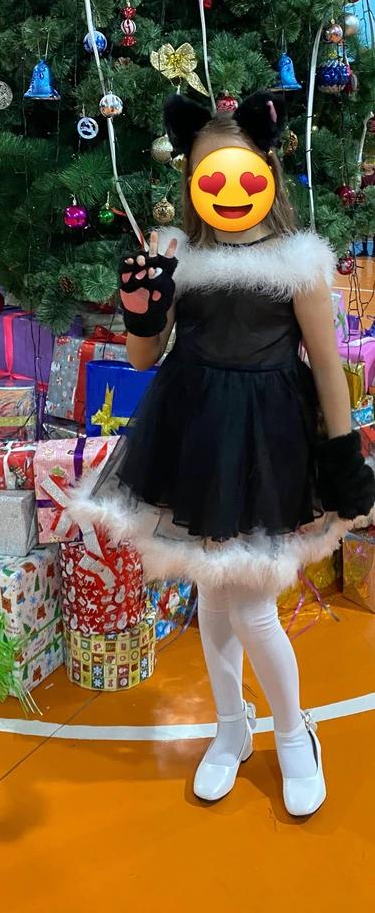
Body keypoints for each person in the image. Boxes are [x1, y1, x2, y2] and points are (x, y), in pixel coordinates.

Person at [71, 90, 374, 818]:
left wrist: (342, 458)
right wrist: (141, 309)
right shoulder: (180, 254)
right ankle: (232, 728)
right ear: (192, 181)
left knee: (253, 604)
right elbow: (144, 358)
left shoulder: (297, 261)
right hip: (195, 434)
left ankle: (294, 733)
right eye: (212, 177)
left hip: (267, 441)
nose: (229, 190)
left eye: (242, 174)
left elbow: (327, 368)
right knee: (212, 593)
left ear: (265, 171)